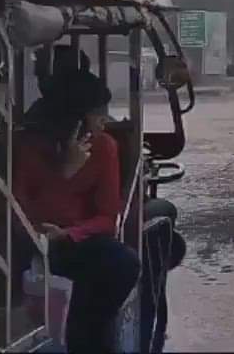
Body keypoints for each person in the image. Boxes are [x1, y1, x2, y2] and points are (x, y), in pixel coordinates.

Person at [14, 67, 140, 353]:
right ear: (74, 118)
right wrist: (65, 173)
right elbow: (21, 214)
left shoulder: (104, 147)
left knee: (123, 263)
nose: (103, 121)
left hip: (76, 241)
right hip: (33, 243)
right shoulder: (30, 149)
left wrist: (70, 233)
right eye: (97, 113)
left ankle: (85, 339)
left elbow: (108, 218)